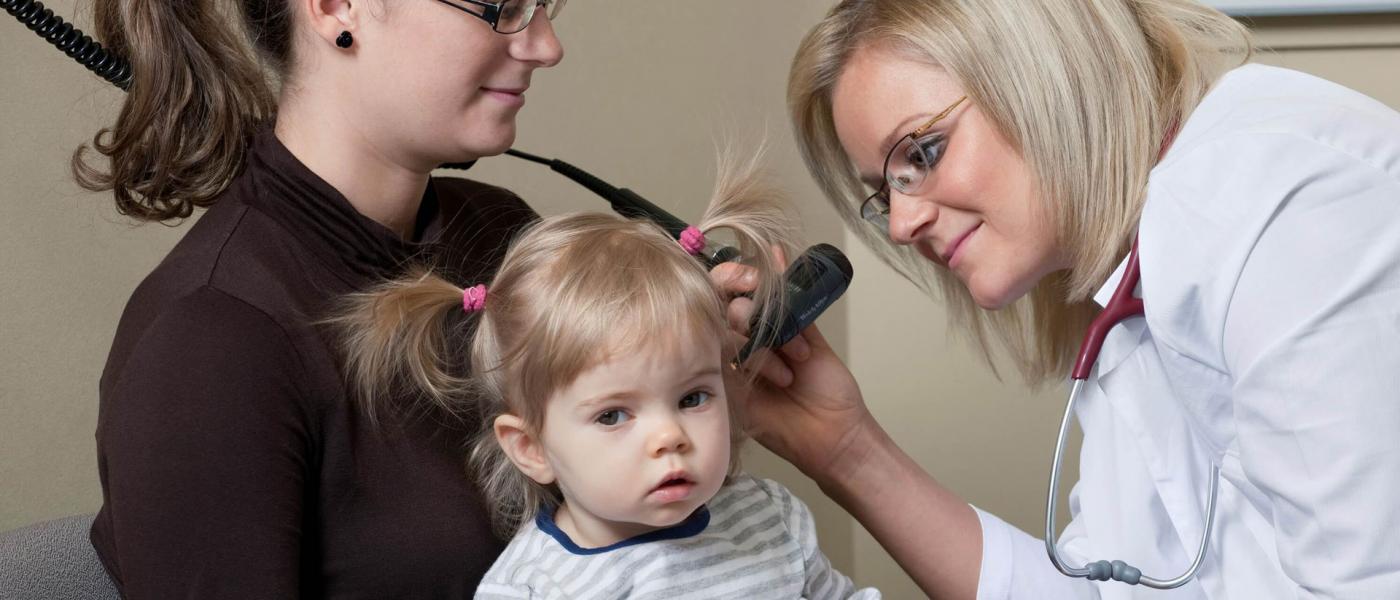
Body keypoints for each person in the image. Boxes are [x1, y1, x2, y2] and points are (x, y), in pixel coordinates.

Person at [714, 0, 1400, 598]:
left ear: (1037, 75)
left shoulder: (1284, 205)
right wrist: (843, 448)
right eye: (884, 192)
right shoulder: (1132, 293)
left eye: (921, 154)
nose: (901, 224)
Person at [77, 0, 563, 596]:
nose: (547, 47)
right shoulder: (210, 341)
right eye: (505, 6)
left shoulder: (502, 236)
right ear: (338, 8)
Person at [327, 152, 879, 599]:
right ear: (531, 447)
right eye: (613, 415)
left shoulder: (768, 518)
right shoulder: (536, 588)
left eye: (693, 397)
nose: (669, 437)